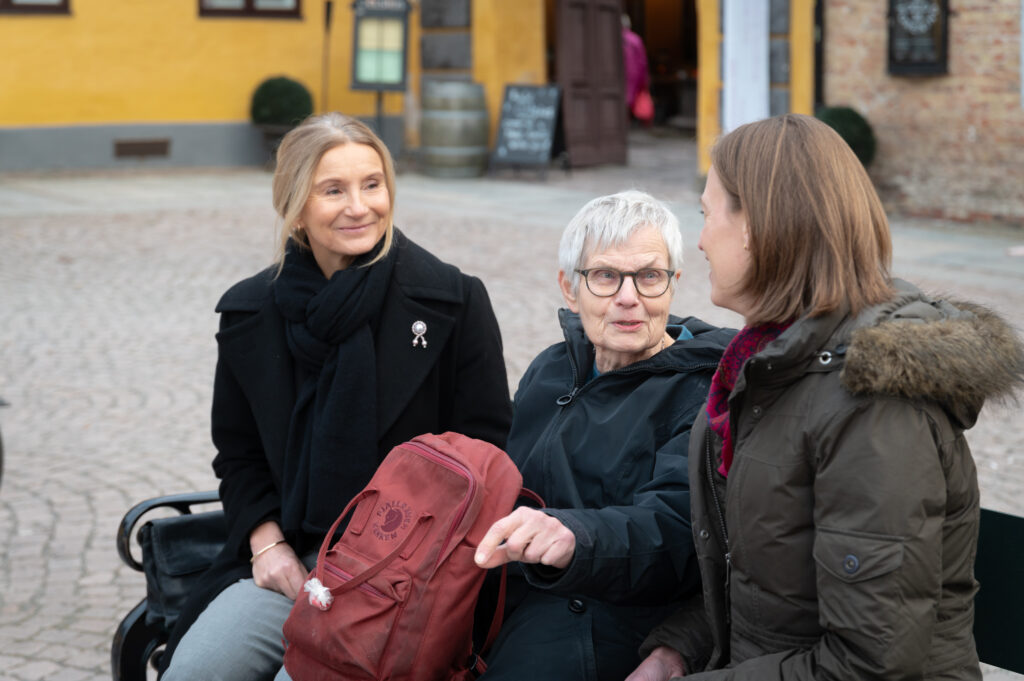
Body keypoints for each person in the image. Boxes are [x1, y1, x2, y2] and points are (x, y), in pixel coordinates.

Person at [628, 113, 1024, 681]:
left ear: (762, 225)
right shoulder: (772, 363)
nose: (699, 238)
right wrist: (679, 650)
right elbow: (768, 582)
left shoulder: (872, 404)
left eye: (706, 213)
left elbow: (869, 665)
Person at [160, 112, 513, 680]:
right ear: (295, 206)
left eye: (372, 184)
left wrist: (399, 573)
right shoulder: (251, 313)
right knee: (191, 673)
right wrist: (265, 545)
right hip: (290, 563)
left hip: (403, 582)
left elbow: (487, 454)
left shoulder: (452, 302)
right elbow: (239, 453)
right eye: (333, 190)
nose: (359, 206)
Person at [471, 190, 735, 681]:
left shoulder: (702, 391)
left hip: (605, 619)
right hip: (503, 594)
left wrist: (573, 535)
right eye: (606, 276)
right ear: (570, 290)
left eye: (649, 276)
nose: (629, 296)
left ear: (673, 285)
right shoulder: (552, 366)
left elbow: (676, 532)